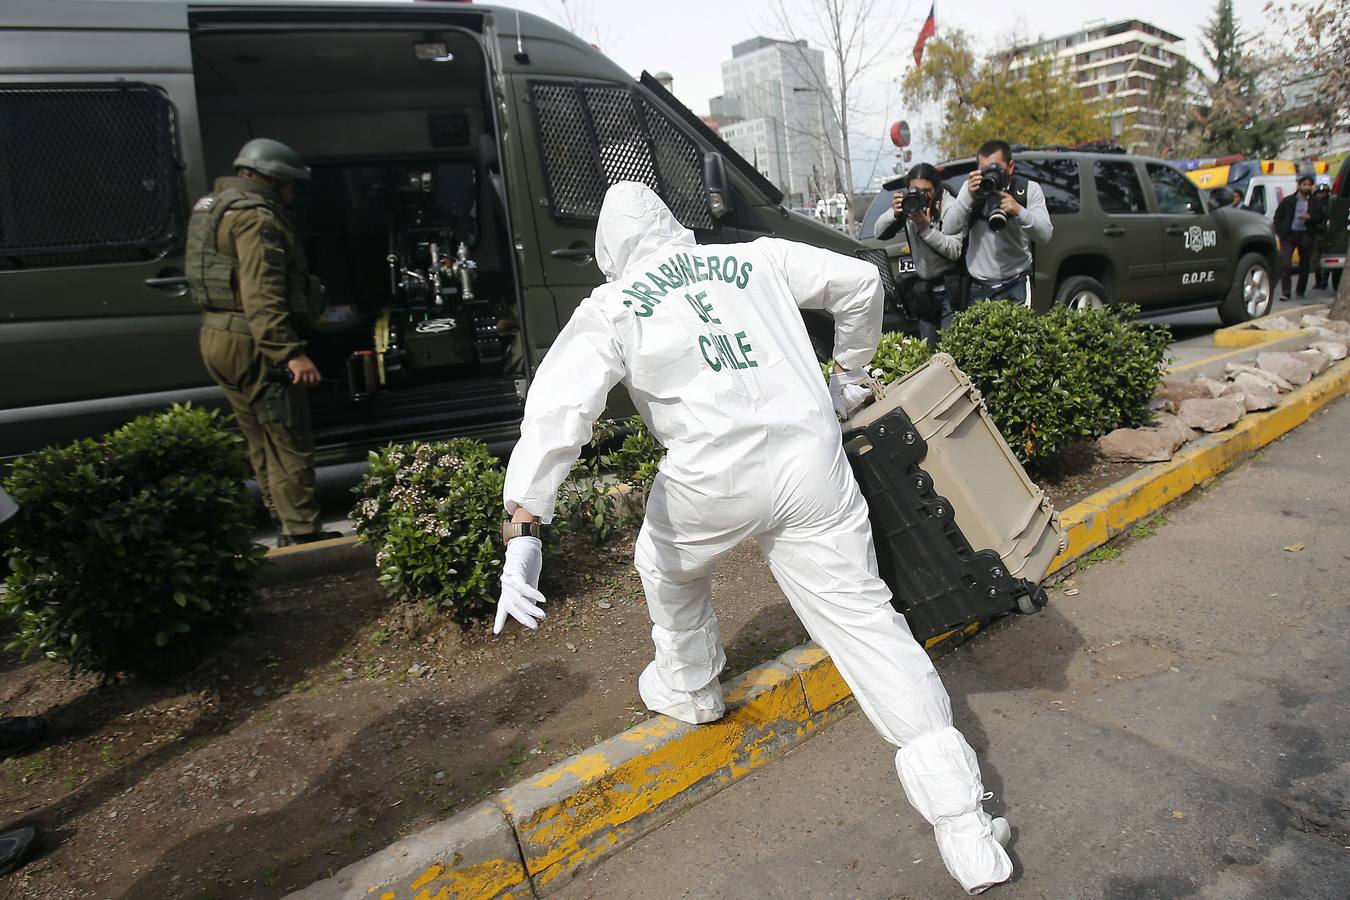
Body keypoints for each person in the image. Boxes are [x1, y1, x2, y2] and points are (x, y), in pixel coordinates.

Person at [493, 181, 1013, 894]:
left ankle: (691, 685)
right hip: (812, 466)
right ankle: (965, 827)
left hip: (709, 479)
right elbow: (862, 281)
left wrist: (524, 526)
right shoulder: (756, 258)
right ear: (673, 225)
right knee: (867, 624)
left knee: (665, 565)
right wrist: (849, 377)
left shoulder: (612, 305)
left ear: (609, 251)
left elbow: (557, 412)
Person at [186, 138, 340, 546]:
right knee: (287, 435)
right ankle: (302, 531)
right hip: (253, 342)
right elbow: (262, 294)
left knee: (259, 437)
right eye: (292, 186)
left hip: (217, 335)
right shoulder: (257, 218)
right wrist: (290, 354)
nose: (293, 195)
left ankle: (282, 520)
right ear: (273, 180)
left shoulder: (212, 207)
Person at [943, 140, 1053, 305]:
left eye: (996, 168)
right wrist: (969, 197)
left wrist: (1019, 211)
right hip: (979, 285)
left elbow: (1045, 235)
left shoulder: (1028, 189)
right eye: (984, 170)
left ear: (1011, 167)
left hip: (1016, 282)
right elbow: (949, 229)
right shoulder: (970, 189)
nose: (990, 175)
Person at [874, 163, 965, 348]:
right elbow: (878, 232)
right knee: (927, 351)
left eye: (927, 191)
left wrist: (925, 229)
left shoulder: (950, 207)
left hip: (950, 290)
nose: (922, 195)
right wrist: (895, 212)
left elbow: (954, 250)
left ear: (937, 189)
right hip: (924, 292)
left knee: (951, 351)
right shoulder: (910, 206)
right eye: (915, 190)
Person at [1273, 174, 1324, 301]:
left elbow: (1320, 217)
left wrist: (1310, 217)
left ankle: (1300, 291)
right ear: (1299, 185)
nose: (1306, 187)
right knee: (1285, 264)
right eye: (1304, 184)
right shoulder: (1288, 201)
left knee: (1304, 264)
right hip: (1289, 235)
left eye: (1309, 185)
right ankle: (1286, 292)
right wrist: (1280, 232)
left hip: (1305, 235)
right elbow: (1278, 217)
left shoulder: (1315, 202)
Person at [1311, 182, 1332, 292]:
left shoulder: (1330, 205)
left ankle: (1324, 280)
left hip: (1327, 235)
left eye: (1323, 193)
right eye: (1319, 193)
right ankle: (1318, 280)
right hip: (1315, 235)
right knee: (1315, 261)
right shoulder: (1312, 205)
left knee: (1328, 259)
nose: (1321, 195)